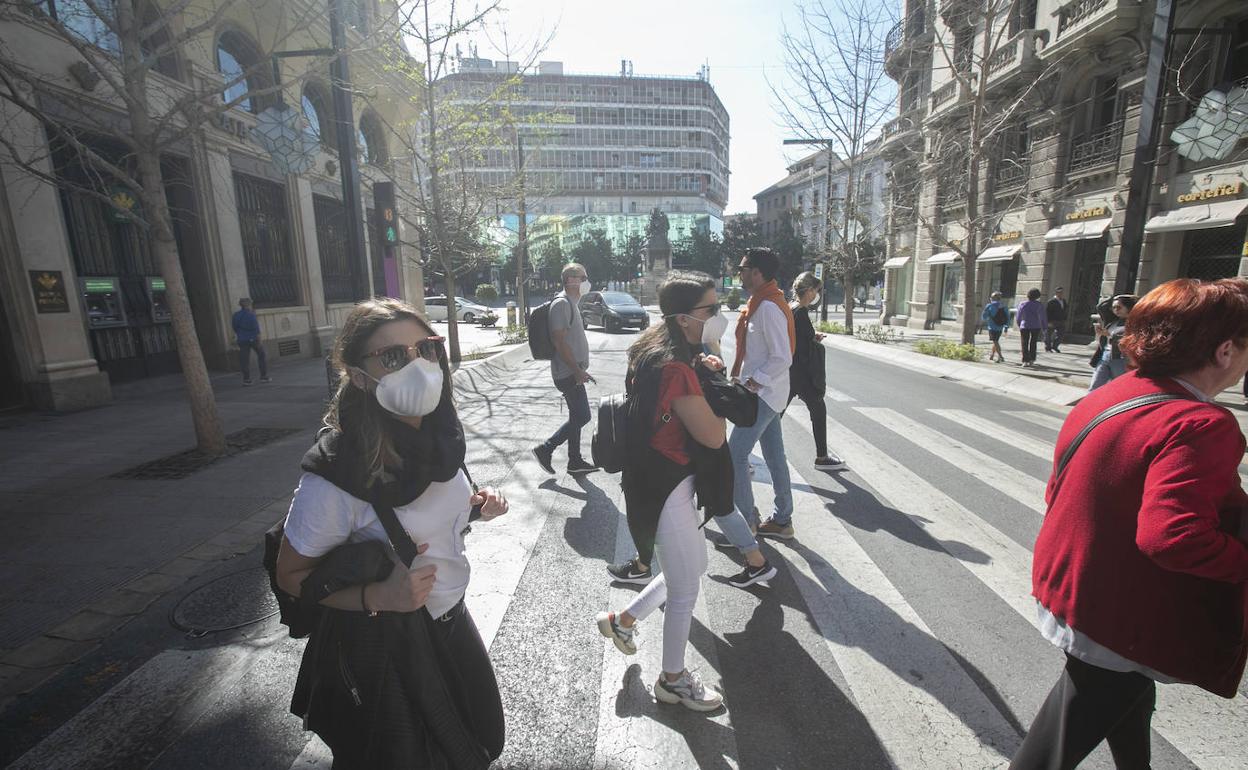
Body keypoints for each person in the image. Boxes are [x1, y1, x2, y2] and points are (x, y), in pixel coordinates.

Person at [1011, 278, 1248, 770]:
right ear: (1225, 350)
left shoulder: (1116, 392)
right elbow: (1174, 536)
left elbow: (1061, 487)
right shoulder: (1201, 423)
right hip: (1120, 618)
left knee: (1126, 698)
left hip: (1074, 588)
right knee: (1060, 741)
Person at [275, 298, 509, 767]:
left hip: (451, 617)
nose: (418, 364)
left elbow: (429, 520)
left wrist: (473, 512)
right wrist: (379, 596)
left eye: (426, 348)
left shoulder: (441, 437)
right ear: (360, 376)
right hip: (391, 642)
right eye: (393, 356)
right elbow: (290, 576)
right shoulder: (336, 474)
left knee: (485, 736)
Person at [596, 271, 733, 712]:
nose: (717, 316)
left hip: (654, 477)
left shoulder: (653, 347)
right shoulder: (677, 367)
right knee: (685, 585)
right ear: (684, 317)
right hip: (667, 484)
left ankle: (623, 620)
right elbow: (714, 436)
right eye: (710, 309)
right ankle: (672, 681)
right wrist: (718, 373)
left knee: (690, 566)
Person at [723, 246, 798, 548]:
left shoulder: (767, 307)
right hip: (769, 393)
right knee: (775, 456)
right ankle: (782, 520)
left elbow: (783, 357)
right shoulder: (760, 302)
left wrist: (754, 381)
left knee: (735, 455)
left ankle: (746, 523)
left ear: (756, 272)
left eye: (742, 269)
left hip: (763, 395)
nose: (738, 274)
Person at [532, 263, 597, 475]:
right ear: (571, 280)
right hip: (567, 373)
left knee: (576, 416)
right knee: (583, 416)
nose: (587, 281)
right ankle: (546, 448)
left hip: (571, 371)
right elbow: (559, 341)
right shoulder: (561, 304)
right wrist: (577, 371)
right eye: (583, 277)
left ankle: (575, 461)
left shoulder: (570, 303)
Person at [788, 271, 845, 469]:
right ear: (810, 290)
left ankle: (746, 450)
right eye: (816, 291)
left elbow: (799, 338)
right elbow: (802, 345)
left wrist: (812, 338)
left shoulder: (791, 308)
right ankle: (822, 457)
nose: (817, 295)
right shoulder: (801, 312)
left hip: (791, 372)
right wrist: (813, 341)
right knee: (818, 411)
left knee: (772, 415)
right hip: (801, 374)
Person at [1088, 294, 1138, 392]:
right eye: (1114, 307)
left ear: (1128, 307)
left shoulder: (1134, 323)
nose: (1116, 310)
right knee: (1095, 386)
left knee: (1119, 387)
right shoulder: (1113, 321)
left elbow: (1130, 339)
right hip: (1104, 357)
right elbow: (1101, 307)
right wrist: (1115, 297)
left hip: (1121, 359)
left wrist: (1109, 335)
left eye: (1119, 307)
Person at [232, 298, 269, 384]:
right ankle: (263, 377)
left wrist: (241, 334)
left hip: (242, 339)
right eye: (251, 304)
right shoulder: (251, 315)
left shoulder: (236, 315)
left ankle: (246, 379)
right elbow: (256, 329)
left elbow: (234, 327)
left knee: (244, 360)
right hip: (253, 339)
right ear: (248, 305)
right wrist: (259, 340)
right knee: (261, 355)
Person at [1015, 288, 1047, 367]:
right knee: (1033, 343)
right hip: (1036, 326)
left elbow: (1018, 316)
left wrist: (1019, 324)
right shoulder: (1039, 305)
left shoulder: (1022, 304)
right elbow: (1043, 317)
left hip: (1025, 325)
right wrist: (1044, 327)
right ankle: (1032, 360)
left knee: (1024, 343)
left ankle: (1025, 360)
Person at [981, 292, 1011, 363]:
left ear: (992, 298)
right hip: (1000, 327)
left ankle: (1000, 356)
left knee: (995, 341)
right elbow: (1007, 317)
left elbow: (984, 317)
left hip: (992, 327)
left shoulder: (989, 306)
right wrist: (1006, 327)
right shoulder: (1004, 306)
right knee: (996, 341)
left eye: (991, 297)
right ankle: (992, 355)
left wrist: (986, 311)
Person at [1044, 287, 1068, 353]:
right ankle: (1048, 348)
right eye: (1059, 292)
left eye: (1062, 292)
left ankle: (1055, 346)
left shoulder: (1064, 301)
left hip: (1061, 321)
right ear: (1056, 293)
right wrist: (1048, 322)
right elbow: (1047, 312)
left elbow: (1065, 310)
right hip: (1052, 321)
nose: (1061, 294)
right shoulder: (1051, 301)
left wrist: (1065, 319)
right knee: (1048, 335)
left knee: (1061, 335)